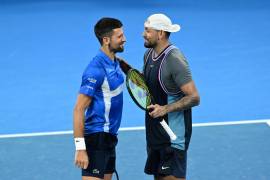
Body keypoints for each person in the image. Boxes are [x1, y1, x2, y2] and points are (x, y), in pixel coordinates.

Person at [142, 13, 200, 180]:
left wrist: (165, 109)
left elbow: (194, 97)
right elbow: (148, 82)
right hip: (155, 135)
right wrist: (128, 70)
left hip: (173, 138)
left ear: (160, 33)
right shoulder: (148, 55)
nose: (143, 34)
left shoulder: (174, 59)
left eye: (147, 30)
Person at [73, 17, 126, 180]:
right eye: (119, 36)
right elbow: (78, 109)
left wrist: (135, 73)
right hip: (96, 139)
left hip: (110, 137)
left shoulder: (114, 60)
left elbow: (122, 64)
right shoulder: (95, 71)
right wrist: (81, 148)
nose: (124, 39)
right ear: (106, 40)